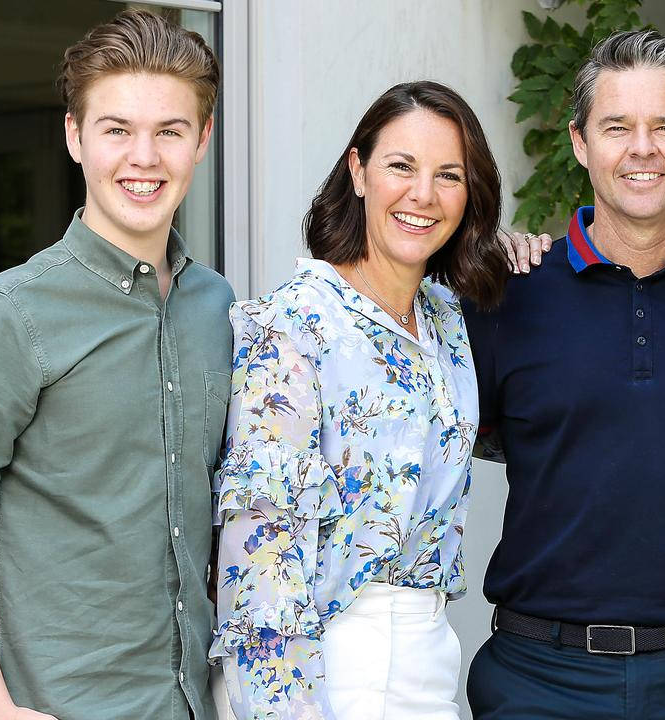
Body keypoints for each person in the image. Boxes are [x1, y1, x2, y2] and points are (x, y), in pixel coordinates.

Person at [0, 9, 230, 719]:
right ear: (75, 136)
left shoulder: (217, 307)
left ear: (201, 140)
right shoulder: (7, 314)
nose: (144, 157)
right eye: (117, 130)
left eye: (169, 131)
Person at [463, 30, 665, 719]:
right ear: (581, 143)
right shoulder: (506, 296)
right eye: (617, 127)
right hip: (535, 681)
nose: (642, 148)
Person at [210, 80, 508, 720]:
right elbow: (261, 554)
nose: (422, 195)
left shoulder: (448, 323)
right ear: (359, 170)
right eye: (401, 166)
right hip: (324, 662)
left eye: (448, 175)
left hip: (429, 654)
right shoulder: (292, 326)